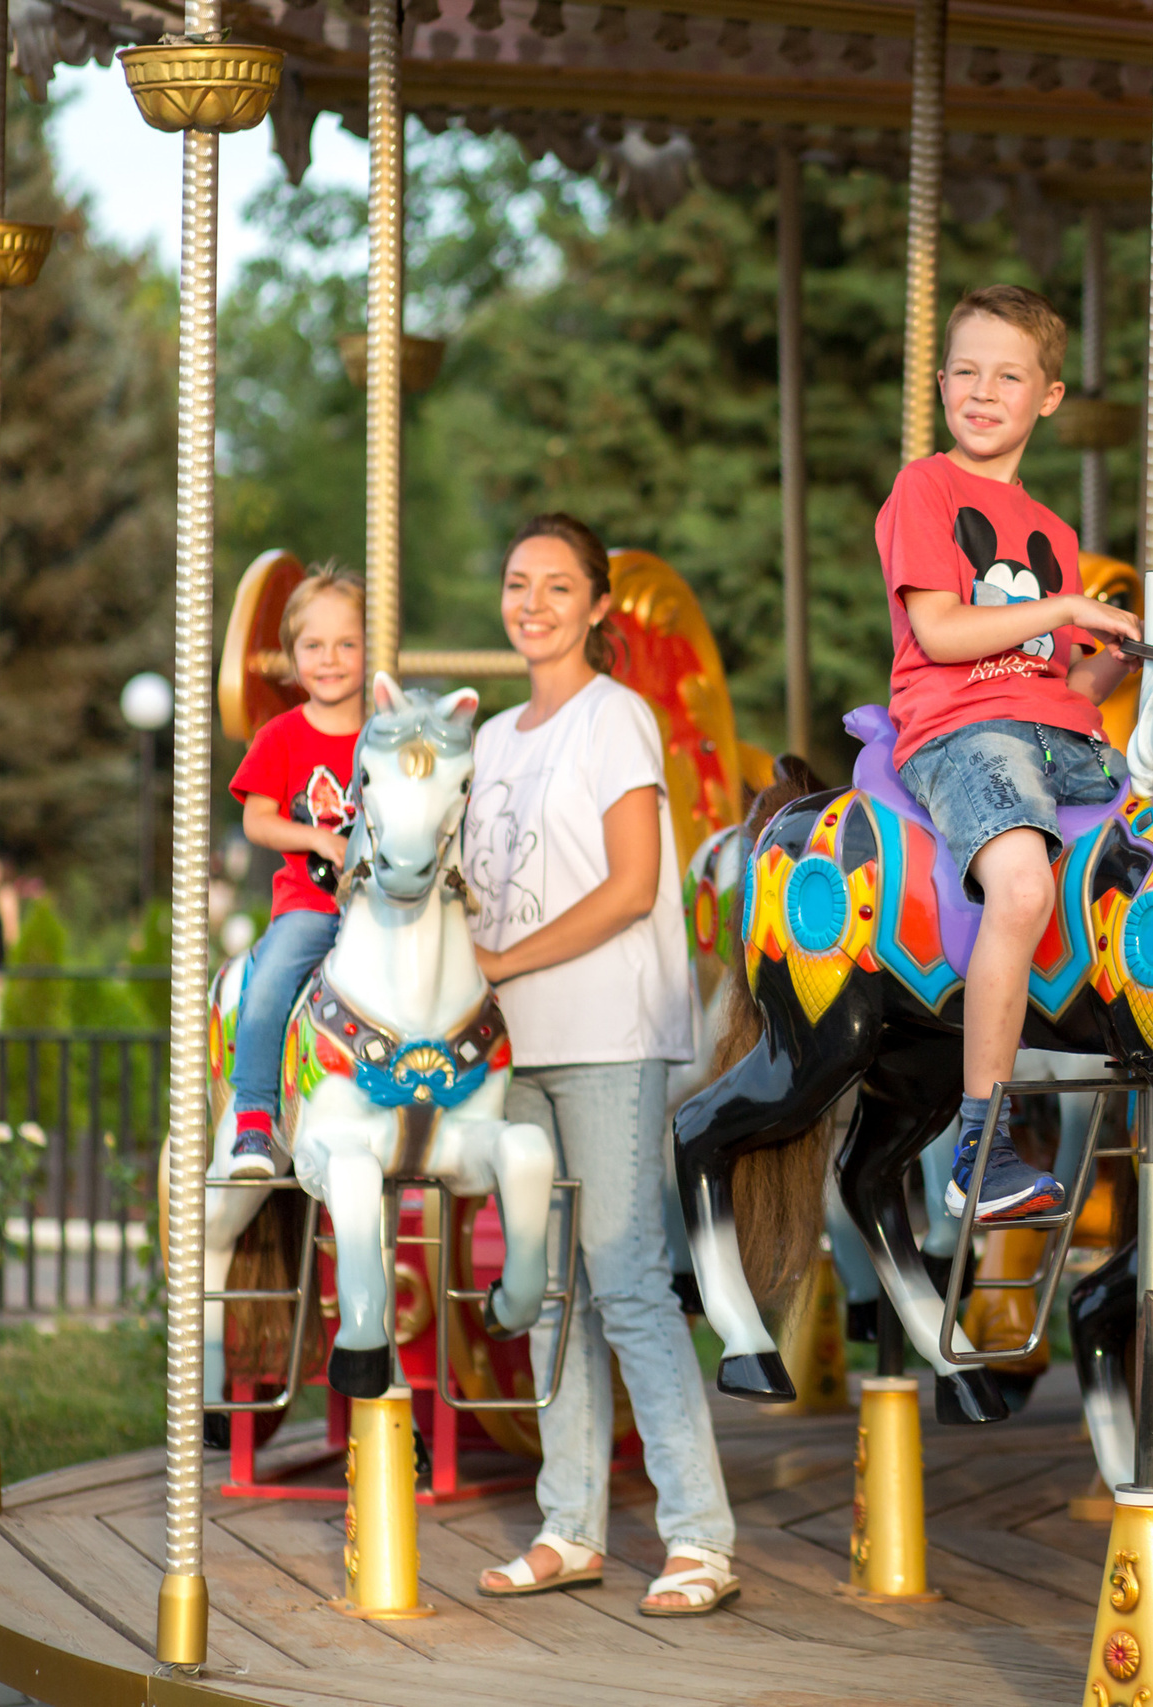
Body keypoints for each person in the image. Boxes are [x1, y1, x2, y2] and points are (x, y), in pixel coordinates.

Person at [880, 284, 1153, 1220]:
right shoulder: (926, 488)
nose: (983, 391)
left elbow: (1054, 678)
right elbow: (942, 631)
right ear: (940, 383)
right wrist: (1065, 606)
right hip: (961, 733)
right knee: (1021, 888)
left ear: (1048, 396)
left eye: (1009, 377)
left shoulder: (1052, 531)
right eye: (966, 372)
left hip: (1060, 741)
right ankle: (980, 1147)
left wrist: (1106, 665)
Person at [464, 514, 737, 1617]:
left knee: (623, 1281)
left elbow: (631, 886)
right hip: (516, 1046)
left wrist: (499, 961)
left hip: (605, 1034)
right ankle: (569, 1527)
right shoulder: (492, 739)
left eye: (556, 586)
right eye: (517, 582)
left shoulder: (614, 715)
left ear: (596, 606)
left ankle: (700, 1537)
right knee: (550, 1293)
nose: (532, 604)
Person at [223, 564, 367, 1179]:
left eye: (346, 644)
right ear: (291, 657)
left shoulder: (385, 737)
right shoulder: (281, 735)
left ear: (371, 649)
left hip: (384, 909)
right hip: (312, 905)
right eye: (313, 646)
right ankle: (254, 1116)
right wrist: (317, 839)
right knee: (270, 983)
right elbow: (257, 820)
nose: (329, 659)